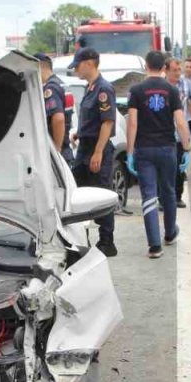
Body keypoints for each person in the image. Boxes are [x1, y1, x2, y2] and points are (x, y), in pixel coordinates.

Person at [126, 51, 191, 258]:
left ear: (146, 65)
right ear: (164, 67)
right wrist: (187, 148)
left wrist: (130, 152)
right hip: (167, 148)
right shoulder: (171, 90)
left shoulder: (136, 91)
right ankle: (170, 233)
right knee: (169, 192)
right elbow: (181, 123)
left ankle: (154, 245)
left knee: (149, 195)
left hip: (144, 149)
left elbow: (133, 123)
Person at [70, 47, 118, 257]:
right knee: (79, 193)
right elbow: (92, 120)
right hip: (85, 146)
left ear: (89, 63)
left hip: (97, 149)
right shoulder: (90, 87)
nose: (76, 70)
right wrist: (80, 134)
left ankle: (107, 242)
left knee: (101, 194)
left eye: (78, 66)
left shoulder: (103, 89)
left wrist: (98, 152)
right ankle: (81, 238)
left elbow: (107, 122)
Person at [166, 58, 191, 208]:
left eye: (179, 70)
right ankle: (163, 198)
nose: (177, 73)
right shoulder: (161, 86)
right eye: (174, 70)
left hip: (180, 135)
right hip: (164, 135)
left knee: (179, 169)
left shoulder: (185, 84)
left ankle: (177, 197)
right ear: (166, 70)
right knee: (164, 170)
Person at [36, 52, 73, 164]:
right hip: (65, 148)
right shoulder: (61, 84)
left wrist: (56, 150)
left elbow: (58, 119)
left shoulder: (51, 87)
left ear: (38, 67)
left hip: (58, 151)